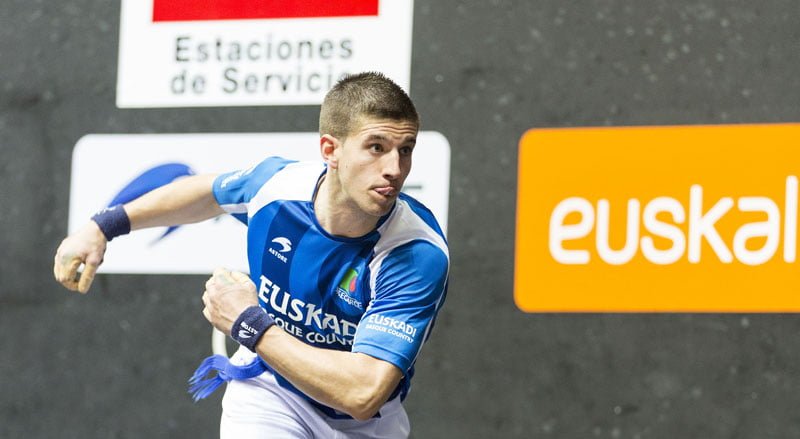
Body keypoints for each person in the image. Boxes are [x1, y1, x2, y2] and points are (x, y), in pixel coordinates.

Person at [53, 72, 449, 438]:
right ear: (330, 149)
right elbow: (206, 193)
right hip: (269, 393)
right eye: (376, 148)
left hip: (365, 426)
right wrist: (102, 227)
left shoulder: (415, 253)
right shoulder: (276, 188)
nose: (395, 168)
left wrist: (249, 323)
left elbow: (361, 394)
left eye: (405, 150)